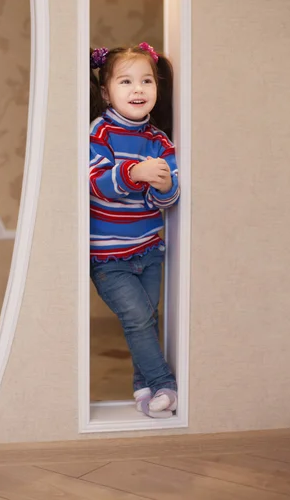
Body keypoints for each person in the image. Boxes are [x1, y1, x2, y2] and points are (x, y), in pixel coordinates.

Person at [89, 43, 180, 418]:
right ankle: (165, 385)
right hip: (109, 256)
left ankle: (142, 387)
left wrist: (162, 187)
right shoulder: (101, 132)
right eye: (126, 81)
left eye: (146, 81)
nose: (138, 89)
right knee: (138, 318)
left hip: (148, 249)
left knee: (149, 317)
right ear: (106, 92)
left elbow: (171, 195)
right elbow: (95, 183)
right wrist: (133, 173)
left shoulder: (159, 140)